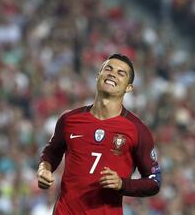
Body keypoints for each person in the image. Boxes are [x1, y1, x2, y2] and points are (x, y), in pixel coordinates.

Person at [37, 53, 162, 214]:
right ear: (98, 76)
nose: (112, 74)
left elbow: (154, 181)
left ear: (128, 87)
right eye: (108, 69)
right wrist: (44, 169)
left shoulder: (137, 130)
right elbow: (51, 152)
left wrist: (122, 184)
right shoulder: (69, 119)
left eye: (120, 73)